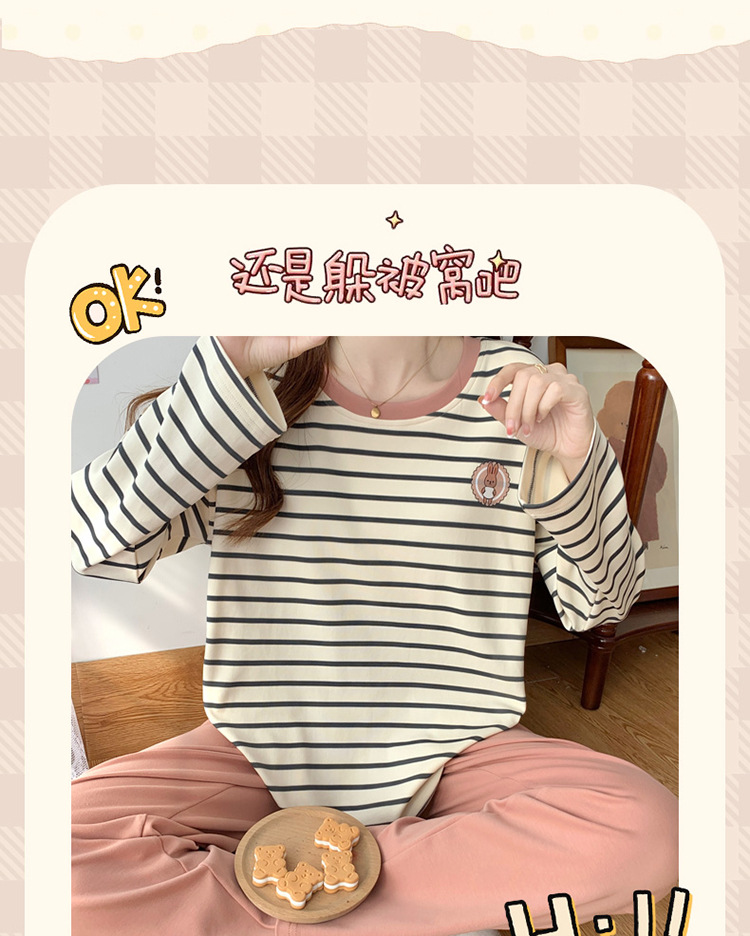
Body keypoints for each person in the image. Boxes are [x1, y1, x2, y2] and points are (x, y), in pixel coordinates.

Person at [71, 336, 678, 936]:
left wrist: (577, 469)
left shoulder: (519, 391)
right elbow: (86, 544)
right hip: (258, 746)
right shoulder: (253, 379)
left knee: (653, 833)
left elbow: (603, 603)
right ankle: (357, 903)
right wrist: (221, 378)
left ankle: (296, 906)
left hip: (455, 750)